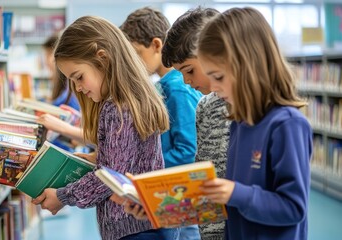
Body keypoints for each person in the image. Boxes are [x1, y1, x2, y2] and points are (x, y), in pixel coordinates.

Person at [31, 15, 180, 240]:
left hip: (135, 228)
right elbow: (121, 161)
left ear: (103, 59)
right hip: (148, 225)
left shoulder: (117, 108)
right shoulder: (132, 99)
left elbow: (110, 176)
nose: (78, 88)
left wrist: (62, 196)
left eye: (79, 77)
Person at [198, 7, 312, 239]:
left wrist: (236, 194)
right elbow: (235, 207)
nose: (212, 88)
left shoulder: (287, 125)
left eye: (218, 77)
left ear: (249, 66)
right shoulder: (239, 123)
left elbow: (293, 207)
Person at [123, 7, 229, 240]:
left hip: (194, 204)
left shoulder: (178, 88)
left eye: (137, 54)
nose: (134, 64)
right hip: (189, 205)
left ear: (156, 45)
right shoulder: (175, 89)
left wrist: (147, 174)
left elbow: (187, 151)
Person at [42, 32, 80, 110]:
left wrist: (48, 103)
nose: (46, 60)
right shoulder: (57, 79)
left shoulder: (69, 77)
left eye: (48, 54)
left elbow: (68, 102)